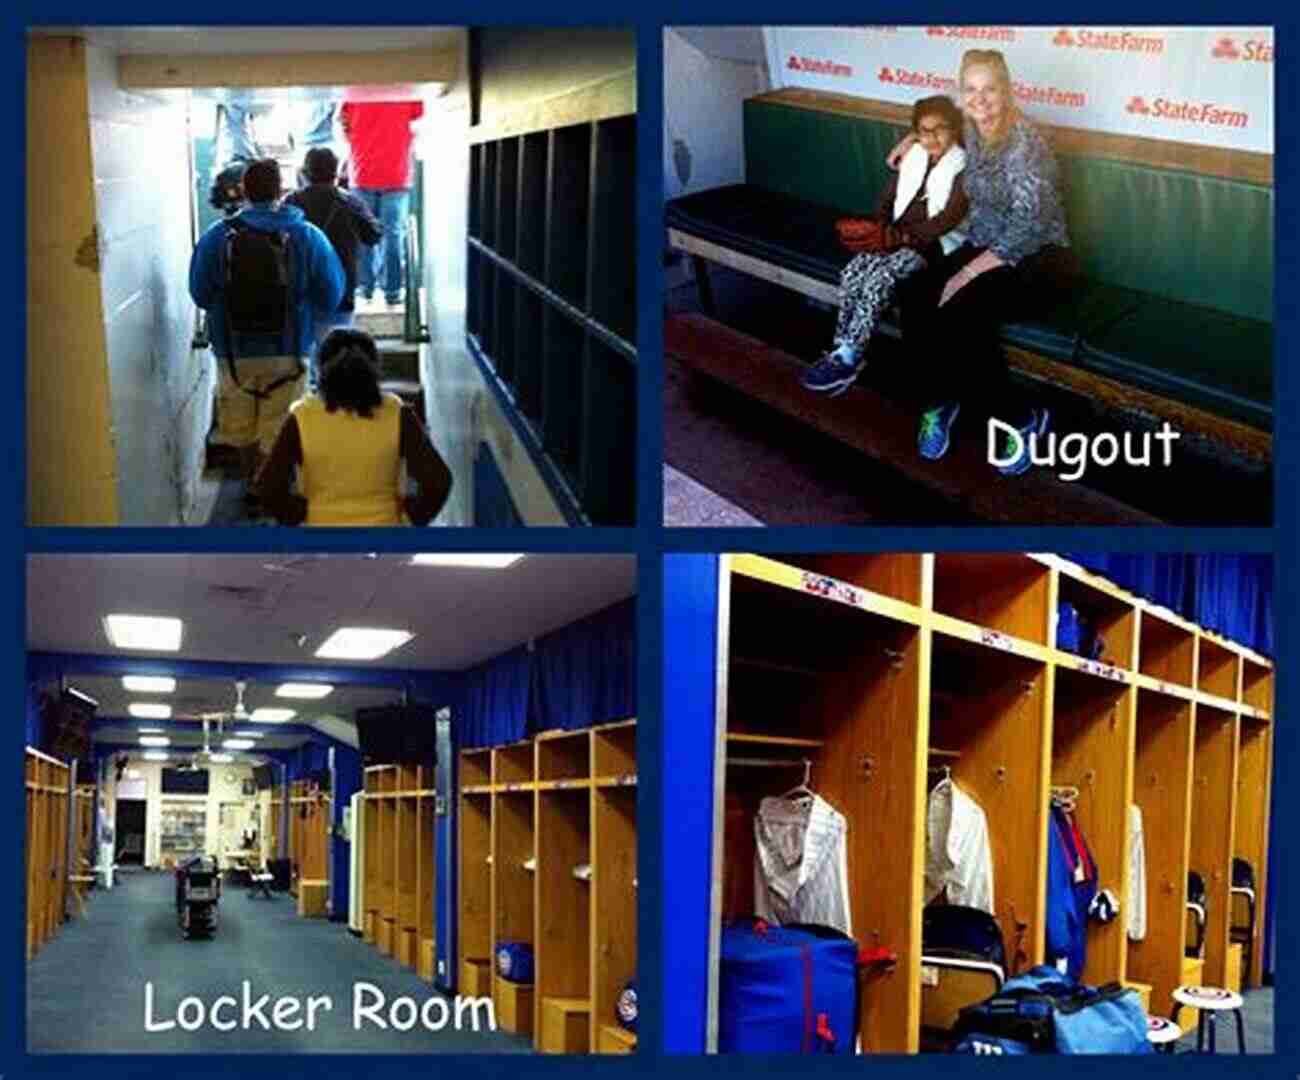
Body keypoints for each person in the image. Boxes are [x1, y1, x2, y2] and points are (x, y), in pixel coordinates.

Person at [889, 49, 1077, 474]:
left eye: (990, 89)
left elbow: (1029, 225)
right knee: (915, 290)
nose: (981, 99)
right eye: (971, 90)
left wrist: (968, 271)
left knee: (963, 305)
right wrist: (910, 139)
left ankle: (1021, 420)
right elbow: (938, 120)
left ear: (1007, 90)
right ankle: (938, 400)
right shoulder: (969, 129)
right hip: (987, 246)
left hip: (1040, 258)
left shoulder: (1026, 144)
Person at [189, 158, 345, 504]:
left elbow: (200, 293)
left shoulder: (217, 237)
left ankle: (253, 486)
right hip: (290, 351)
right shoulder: (307, 235)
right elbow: (332, 295)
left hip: (233, 354)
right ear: (282, 191)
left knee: (242, 429)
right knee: (283, 427)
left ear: (243, 190)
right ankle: (277, 490)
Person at [801, 95, 969, 397]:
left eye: (940, 129)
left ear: (954, 130)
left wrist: (900, 238)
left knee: (879, 279)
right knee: (853, 272)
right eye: (924, 130)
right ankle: (841, 350)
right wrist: (878, 228)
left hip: (931, 247)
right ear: (916, 133)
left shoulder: (964, 167)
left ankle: (851, 355)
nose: (932, 137)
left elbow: (947, 219)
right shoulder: (914, 156)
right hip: (893, 237)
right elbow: (886, 199)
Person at [256, 329, 453, 526]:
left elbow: (267, 487)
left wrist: (298, 517)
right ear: (373, 367)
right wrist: (409, 520)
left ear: (321, 369)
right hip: (386, 539)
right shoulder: (396, 412)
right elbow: (438, 482)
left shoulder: (302, 416)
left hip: (320, 539)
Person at [284, 147, 383, 387]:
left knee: (301, 365)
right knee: (337, 362)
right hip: (340, 292)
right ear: (336, 173)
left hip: (298, 295)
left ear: (305, 172)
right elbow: (373, 235)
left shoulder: (291, 202)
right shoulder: (349, 202)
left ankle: (306, 411)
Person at [339, 99, 424, 307]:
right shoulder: (407, 93)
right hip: (396, 175)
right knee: (393, 237)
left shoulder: (353, 95)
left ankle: (365, 289)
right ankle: (392, 292)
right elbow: (420, 123)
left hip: (364, 172)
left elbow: (343, 126)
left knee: (363, 237)